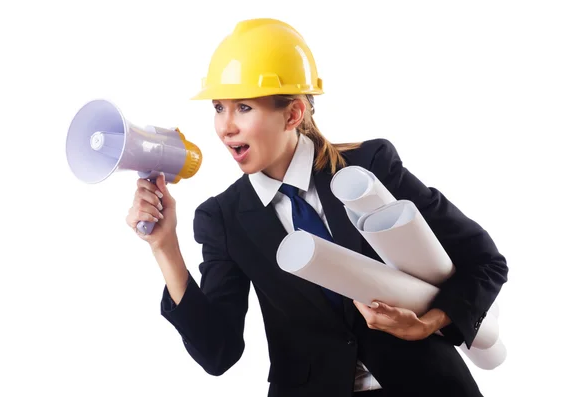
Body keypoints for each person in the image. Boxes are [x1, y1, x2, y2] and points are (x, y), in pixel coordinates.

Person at [125, 18, 508, 397]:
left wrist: (427, 323)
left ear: (293, 114)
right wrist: (165, 248)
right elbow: (219, 352)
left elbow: (484, 262)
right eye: (218, 107)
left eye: (243, 107)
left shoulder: (369, 168)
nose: (225, 127)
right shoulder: (222, 219)